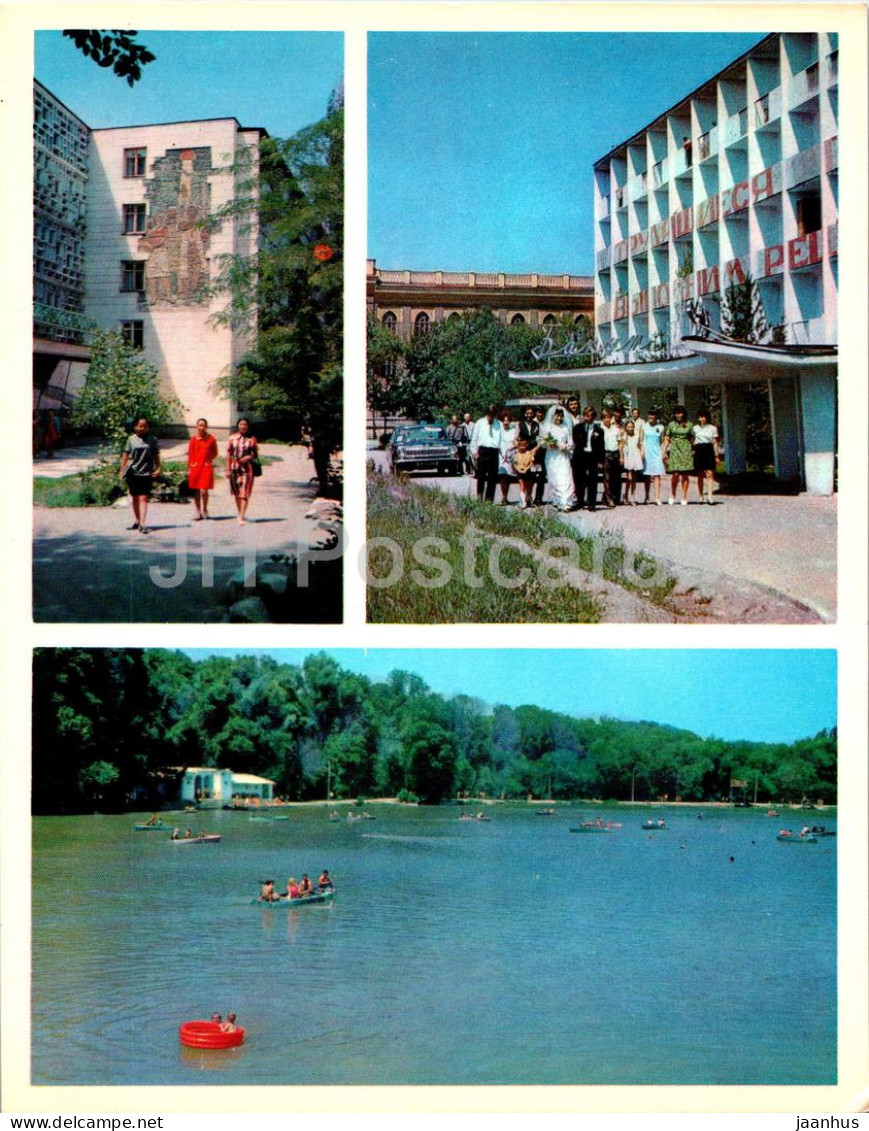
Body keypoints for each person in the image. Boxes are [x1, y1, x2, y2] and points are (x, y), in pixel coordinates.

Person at [119, 416, 161, 533]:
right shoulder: (131, 439)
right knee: (135, 497)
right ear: (135, 426)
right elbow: (125, 455)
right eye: (140, 426)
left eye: (145, 426)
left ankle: (142, 523)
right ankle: (137, 520)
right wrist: (122, 470)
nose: (142, 428)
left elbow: (156, 455)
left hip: (146, 472)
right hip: (133, 472)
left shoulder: (152, 439)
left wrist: (158, 468)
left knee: (144, 497)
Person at [540, 406, 576, 511]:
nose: (559, 418)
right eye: (557, 416)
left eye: (561, 416)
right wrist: (551, 445)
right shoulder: (547, 427)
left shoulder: (566, 427)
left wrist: (566, 446)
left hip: (563, 456)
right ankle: (557, 500)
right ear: (553, 415)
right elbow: (542, 442)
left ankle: (566, 502)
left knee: (566, 477)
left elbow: (570, 442)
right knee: (554, 478)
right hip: (552, 457)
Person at [226, 417, 259, 525]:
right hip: (234, 468)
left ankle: (241, 516)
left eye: (245, 424)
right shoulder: (232, 438)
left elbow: (255, 455)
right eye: (241, 424)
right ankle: (240, 512)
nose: (243, 426)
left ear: (248, 426)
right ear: (238, 425)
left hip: (247, 469)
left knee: (244, 493)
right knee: (236, 492)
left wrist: (248, 457)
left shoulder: (252, 439)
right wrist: (227, 469)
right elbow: (228, 454)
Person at [572, 406, 605, 511]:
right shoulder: (578, 428)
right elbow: (576, 442)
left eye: (589, 416)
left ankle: (591, 503)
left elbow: (601, 446)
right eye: (585, 415)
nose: (587, 418)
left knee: (592, 480)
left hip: (592, 456)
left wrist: (601, 460)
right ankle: (580, 501)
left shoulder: (599, 430)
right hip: (580, 456)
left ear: (594, 417)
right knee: (579, 480)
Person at [187, 417, 218, 520]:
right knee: (196, 491)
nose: (201, 427)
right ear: (197, 426)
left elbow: (215, 452)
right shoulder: (193, 440)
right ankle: (198, 512)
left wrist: (208, 461)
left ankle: (205, 509)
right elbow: (190, 455)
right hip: (195, 467)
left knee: (204, 491)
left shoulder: (211, 439)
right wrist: (190, 467)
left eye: (203, 425)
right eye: (200, 425)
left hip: (206, 467)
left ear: (206, 427)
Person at [663, 405, 694, 505]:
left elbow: (692, 439)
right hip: (675, 449)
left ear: (684, 414)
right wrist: (664, 452)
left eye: (680, 413)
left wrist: (694, 450)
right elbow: (667, 438)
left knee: (685, 474)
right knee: (675, 473)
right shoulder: (671, 424)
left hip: (686, 449)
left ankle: (684, 496)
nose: (678, 415)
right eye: (676, 413)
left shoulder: (689, 425)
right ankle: (673, 494)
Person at [469, 405, 501, 503]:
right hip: (482, 451)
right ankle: (479, 498)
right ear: (487, 413)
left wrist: (501, 454)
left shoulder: (498, 424)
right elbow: (474, 440)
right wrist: (475, 453)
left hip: (494, 452)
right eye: (490, 414)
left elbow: (501, 439)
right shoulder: (479, 423)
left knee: (492, 479)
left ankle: (489, 500)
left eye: (493, 415)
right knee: (481, 477)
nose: (491, 417)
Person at [692, 407, 720, 504]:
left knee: (710, 473)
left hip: (708, 449)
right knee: (700, 474)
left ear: (707, 417)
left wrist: (716, 456)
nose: (701, 419)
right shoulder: (695, 428)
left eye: (703, 417)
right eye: (699, 417)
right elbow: (692, 440)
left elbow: (715, 442)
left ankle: (710, 496)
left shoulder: (712, 428)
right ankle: (700, 496)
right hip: (699, 449)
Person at [641, 408, 666, 504]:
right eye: (649, 414)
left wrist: (663, 453)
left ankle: (657, 498)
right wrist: (642, 451)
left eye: (652, 415)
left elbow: (663, 441)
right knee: (647, 475)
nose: (650, 417)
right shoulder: (644, 426)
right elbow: (641, 440)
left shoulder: (661, 427)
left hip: (657, 453)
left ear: (656, 416)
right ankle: (646, 497)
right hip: (647, 453)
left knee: (657, 475)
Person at [600, 410, 622, 508]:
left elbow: (620, 443)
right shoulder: (600, 429)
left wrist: (621, 456)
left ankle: (609, 497)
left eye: (608, 417)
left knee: (615, 478)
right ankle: (609, 499)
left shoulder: (615, 429)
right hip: (605, 454)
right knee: (607, 478)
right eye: (605, 418)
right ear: (602, 419)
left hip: (615, 454)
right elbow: (598, 446)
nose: (607, 419)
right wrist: (600, 459)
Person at [512, 434, 541, 510]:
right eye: (520, 446)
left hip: (528, 472)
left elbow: (531, 463)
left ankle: (528, 499)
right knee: (522, 486)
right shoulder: (516, 454)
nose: (522, 447)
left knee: (529, 486)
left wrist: (526, 469)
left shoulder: (529, 453)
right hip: (520, 472)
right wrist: (518, 469)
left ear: (526, 445)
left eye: (524, 446)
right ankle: (523, 502)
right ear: (518, 446)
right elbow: (514, 464)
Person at [496, 409, 518, 504]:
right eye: (504, 420)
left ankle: (506, 496)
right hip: (501, 456)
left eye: (507, 420)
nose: (506, 422)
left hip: (510, 456)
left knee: (508, 477)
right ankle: (504, 497)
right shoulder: (498, 431)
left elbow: (516, 442)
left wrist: (512, 447)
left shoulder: (513, 431)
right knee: (503, 476)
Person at [620, 419, 644, 505]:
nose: (630, 428)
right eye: (628, 427)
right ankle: (625, 495)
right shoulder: (624, 436)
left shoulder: (637, 436)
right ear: (626, 428)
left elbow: (640, 445)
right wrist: (622, 457)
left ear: (634, 427)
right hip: (628, 457)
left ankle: (632, 496)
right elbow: (621, 447)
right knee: (629, 478)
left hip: (635, 457)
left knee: (634, 478)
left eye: (632, 427)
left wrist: (642, 453)